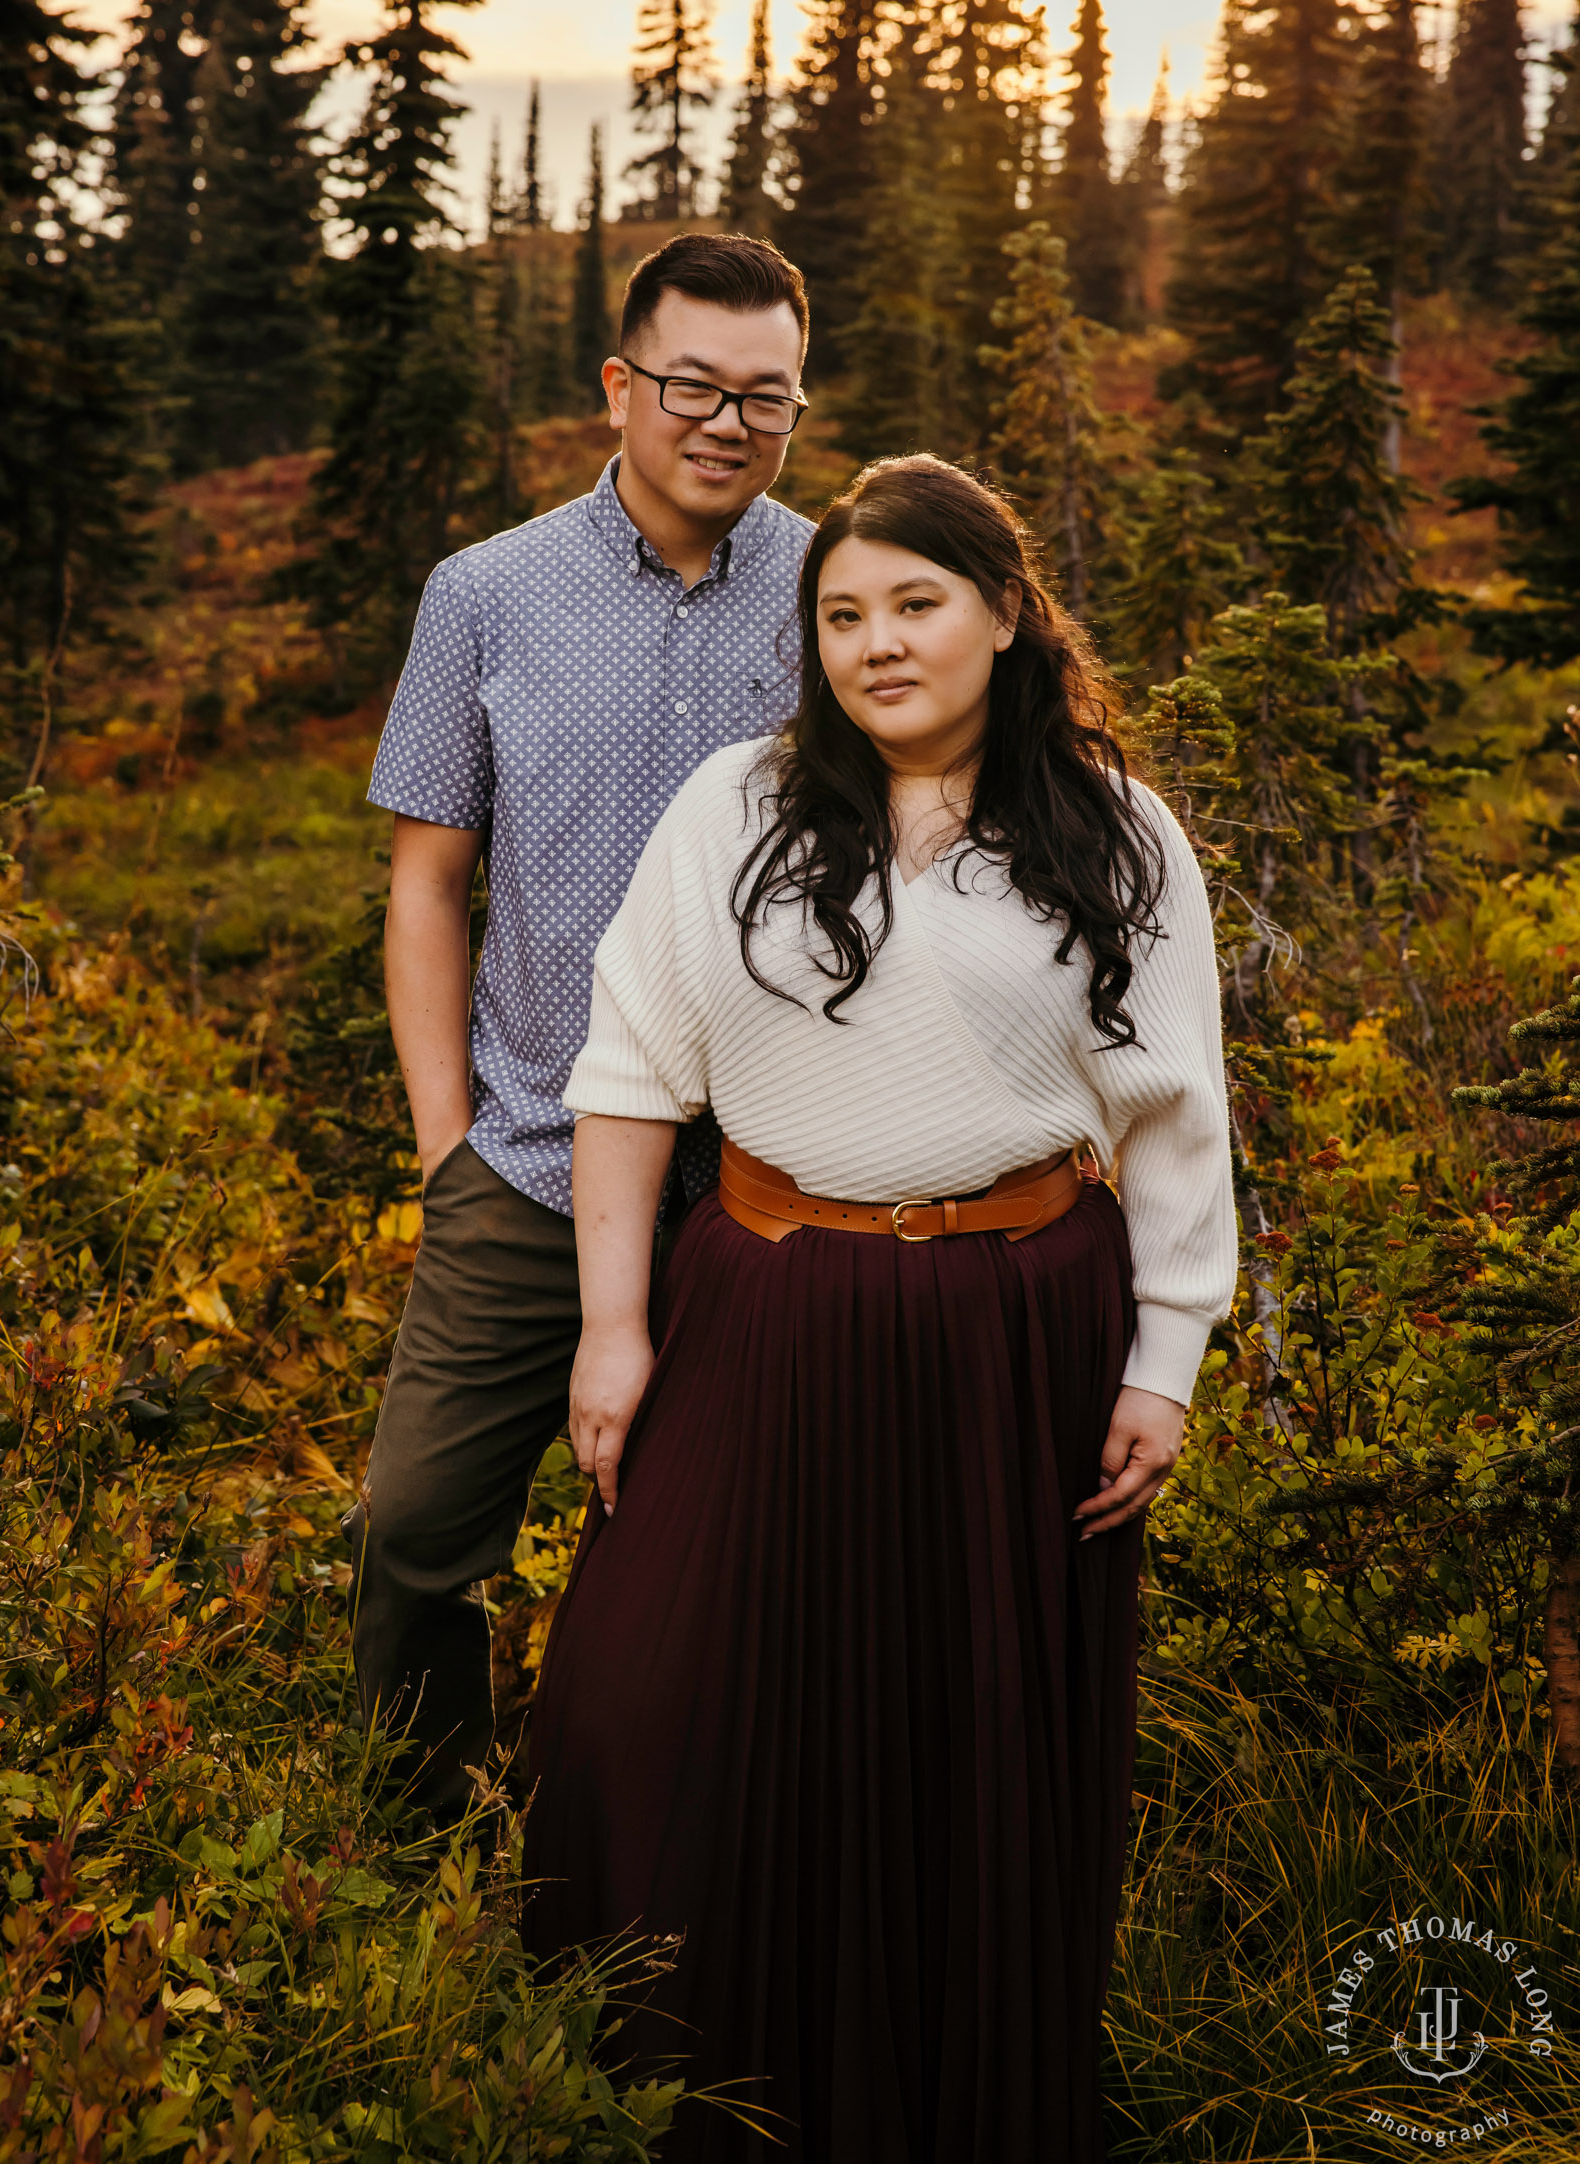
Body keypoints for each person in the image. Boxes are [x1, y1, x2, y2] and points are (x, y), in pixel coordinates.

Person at [518, 456, 1239, 2160]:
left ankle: (951, 2105)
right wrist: (614, 1327)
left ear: (1004, 613)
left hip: (1017, 1329)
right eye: (843, 613)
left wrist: (1169, 1361)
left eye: (916, 603)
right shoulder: (736, 806)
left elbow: (1179, 1117)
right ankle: (672, 2095)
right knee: (645, 1695)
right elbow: (629, 1074)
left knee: (968, 1737)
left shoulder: (1113, 831)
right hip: (763, 1307)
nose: (877, 644)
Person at [346, 233, 816, 1823]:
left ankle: (661, 1874)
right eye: (693, 386)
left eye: (767, 397)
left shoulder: (840, 591)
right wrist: (446, 1144)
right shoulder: (484, 594)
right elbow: (427, 881)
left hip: (765, 1184)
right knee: (414, 1534)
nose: (727, 424)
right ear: (621, 386)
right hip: (533, 1167)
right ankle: (417, 1851)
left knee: (733, 1559)